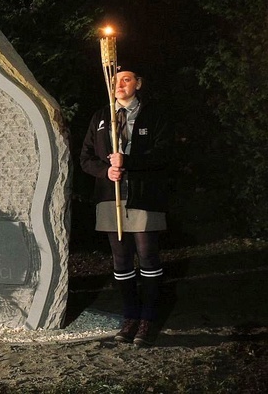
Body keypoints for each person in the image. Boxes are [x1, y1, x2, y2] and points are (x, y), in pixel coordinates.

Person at [80, 62, 172, 347]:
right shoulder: (100, 117)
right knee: (121, 259)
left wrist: (129, 162)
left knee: (147, 255)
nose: (120, 85)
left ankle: (148, 318)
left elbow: (165, 154)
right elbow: (85, 158)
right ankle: (130, 315)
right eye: (116, 80)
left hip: (143, 195)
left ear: (138, 84)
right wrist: (105, 171)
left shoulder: (154, 115)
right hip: (111, 196)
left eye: (127, 79)